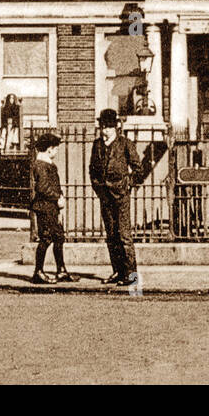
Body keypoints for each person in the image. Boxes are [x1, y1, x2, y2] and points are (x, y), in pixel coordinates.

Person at [88, 108, 141, 286]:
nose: (105, 131)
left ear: (116, 127)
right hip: (105, 195)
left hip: (121, 195)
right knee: (111, 235)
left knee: (124, 235)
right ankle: (118, 272)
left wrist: (128, 186)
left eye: (109, 127)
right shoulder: (97, 145)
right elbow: (92, 170)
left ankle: (131, 275)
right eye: (103, 127)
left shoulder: (125, 143)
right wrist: (98, 189)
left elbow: (138, 168)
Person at [30, 131, 73, 284]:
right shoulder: (41, 165)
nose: (56, 151)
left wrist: (59, 198)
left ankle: (61, 270)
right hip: (45, 207)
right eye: (55, 148)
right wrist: (57, 197)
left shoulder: (47, 164)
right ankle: (38, 272)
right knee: (46, 238)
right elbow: (42, 188)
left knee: (59, 237)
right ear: (49, 149)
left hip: (51, 207)